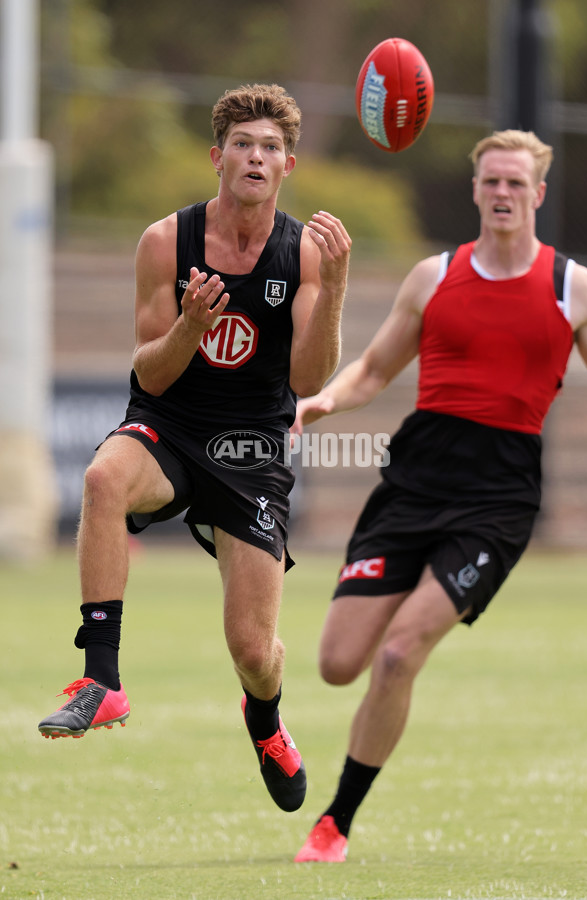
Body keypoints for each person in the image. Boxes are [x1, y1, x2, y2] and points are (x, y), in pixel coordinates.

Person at [38, 83, 351, 815]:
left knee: (254, 652)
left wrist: (333, 288)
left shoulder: (302, 251)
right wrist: (190, 325)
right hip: (170, 428)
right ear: (217, 158)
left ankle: (266, 721)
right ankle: (101, 680)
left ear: (288, 166)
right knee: (101, 479)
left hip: (252, 450)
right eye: (243, 143)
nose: (256, 156)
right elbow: (148, 369)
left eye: (270, 147)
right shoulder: (164, 242)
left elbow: (307, 377)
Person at [292, 129, 587, 860]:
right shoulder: (434, 277)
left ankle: (335, 823)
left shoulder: (574, 288)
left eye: (516, 184)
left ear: (537, 195)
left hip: (498, 498)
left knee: (400, 655)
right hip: (415, 479)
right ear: (475, 190)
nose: (502, 194)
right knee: (339, 664)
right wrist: (320, 405)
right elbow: (372, 368)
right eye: (492, 181)